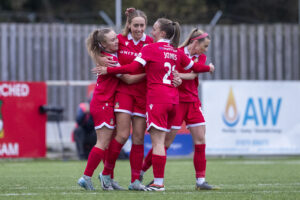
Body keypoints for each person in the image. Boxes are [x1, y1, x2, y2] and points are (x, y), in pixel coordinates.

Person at [95, 18, 214, 191]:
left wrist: (109, 70)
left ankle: (158, 183)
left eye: (155, 28)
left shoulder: (149, 48)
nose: (151, 31)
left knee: (158, 143)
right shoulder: (175, 51)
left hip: (158, 99)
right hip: (174, 100)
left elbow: (132, 68)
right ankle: (147, 177)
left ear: (162, 33)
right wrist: (209, 68)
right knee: (161, 142)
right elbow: (194, 67)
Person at [140, 28, 218, 190]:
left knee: (200, 139)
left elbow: (193, 74)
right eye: (205, 46)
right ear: (195, 42)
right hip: (177, 102)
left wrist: (178, 76)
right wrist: (172, 77)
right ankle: (141, 171)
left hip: (193, 103)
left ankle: (200, 181)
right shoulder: (177, 52)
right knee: (165, 143)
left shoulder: (200, 57)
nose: (206, 50)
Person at [98, 8, 153, 191]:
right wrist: (101, 60)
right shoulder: (119, 41)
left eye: (142, 25)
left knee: (138, 138)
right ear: (129, 25)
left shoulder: (150, 43)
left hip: (142, 95)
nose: (138, 29)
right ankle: (106, 174)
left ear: (146, 26)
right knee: (121, 135)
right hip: (123, 93)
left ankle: (135, 181)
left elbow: (156, 68)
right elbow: (102, 51)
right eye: (135, 25)